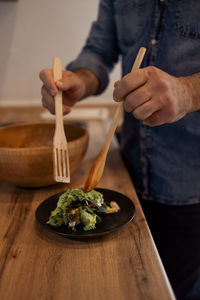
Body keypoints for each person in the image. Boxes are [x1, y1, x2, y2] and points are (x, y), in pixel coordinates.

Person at [39, 1, 200, 299]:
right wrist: (79, 80)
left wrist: (189, 91)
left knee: (176, 288)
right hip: (129, 173)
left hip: (191, 186)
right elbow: (99, 51)